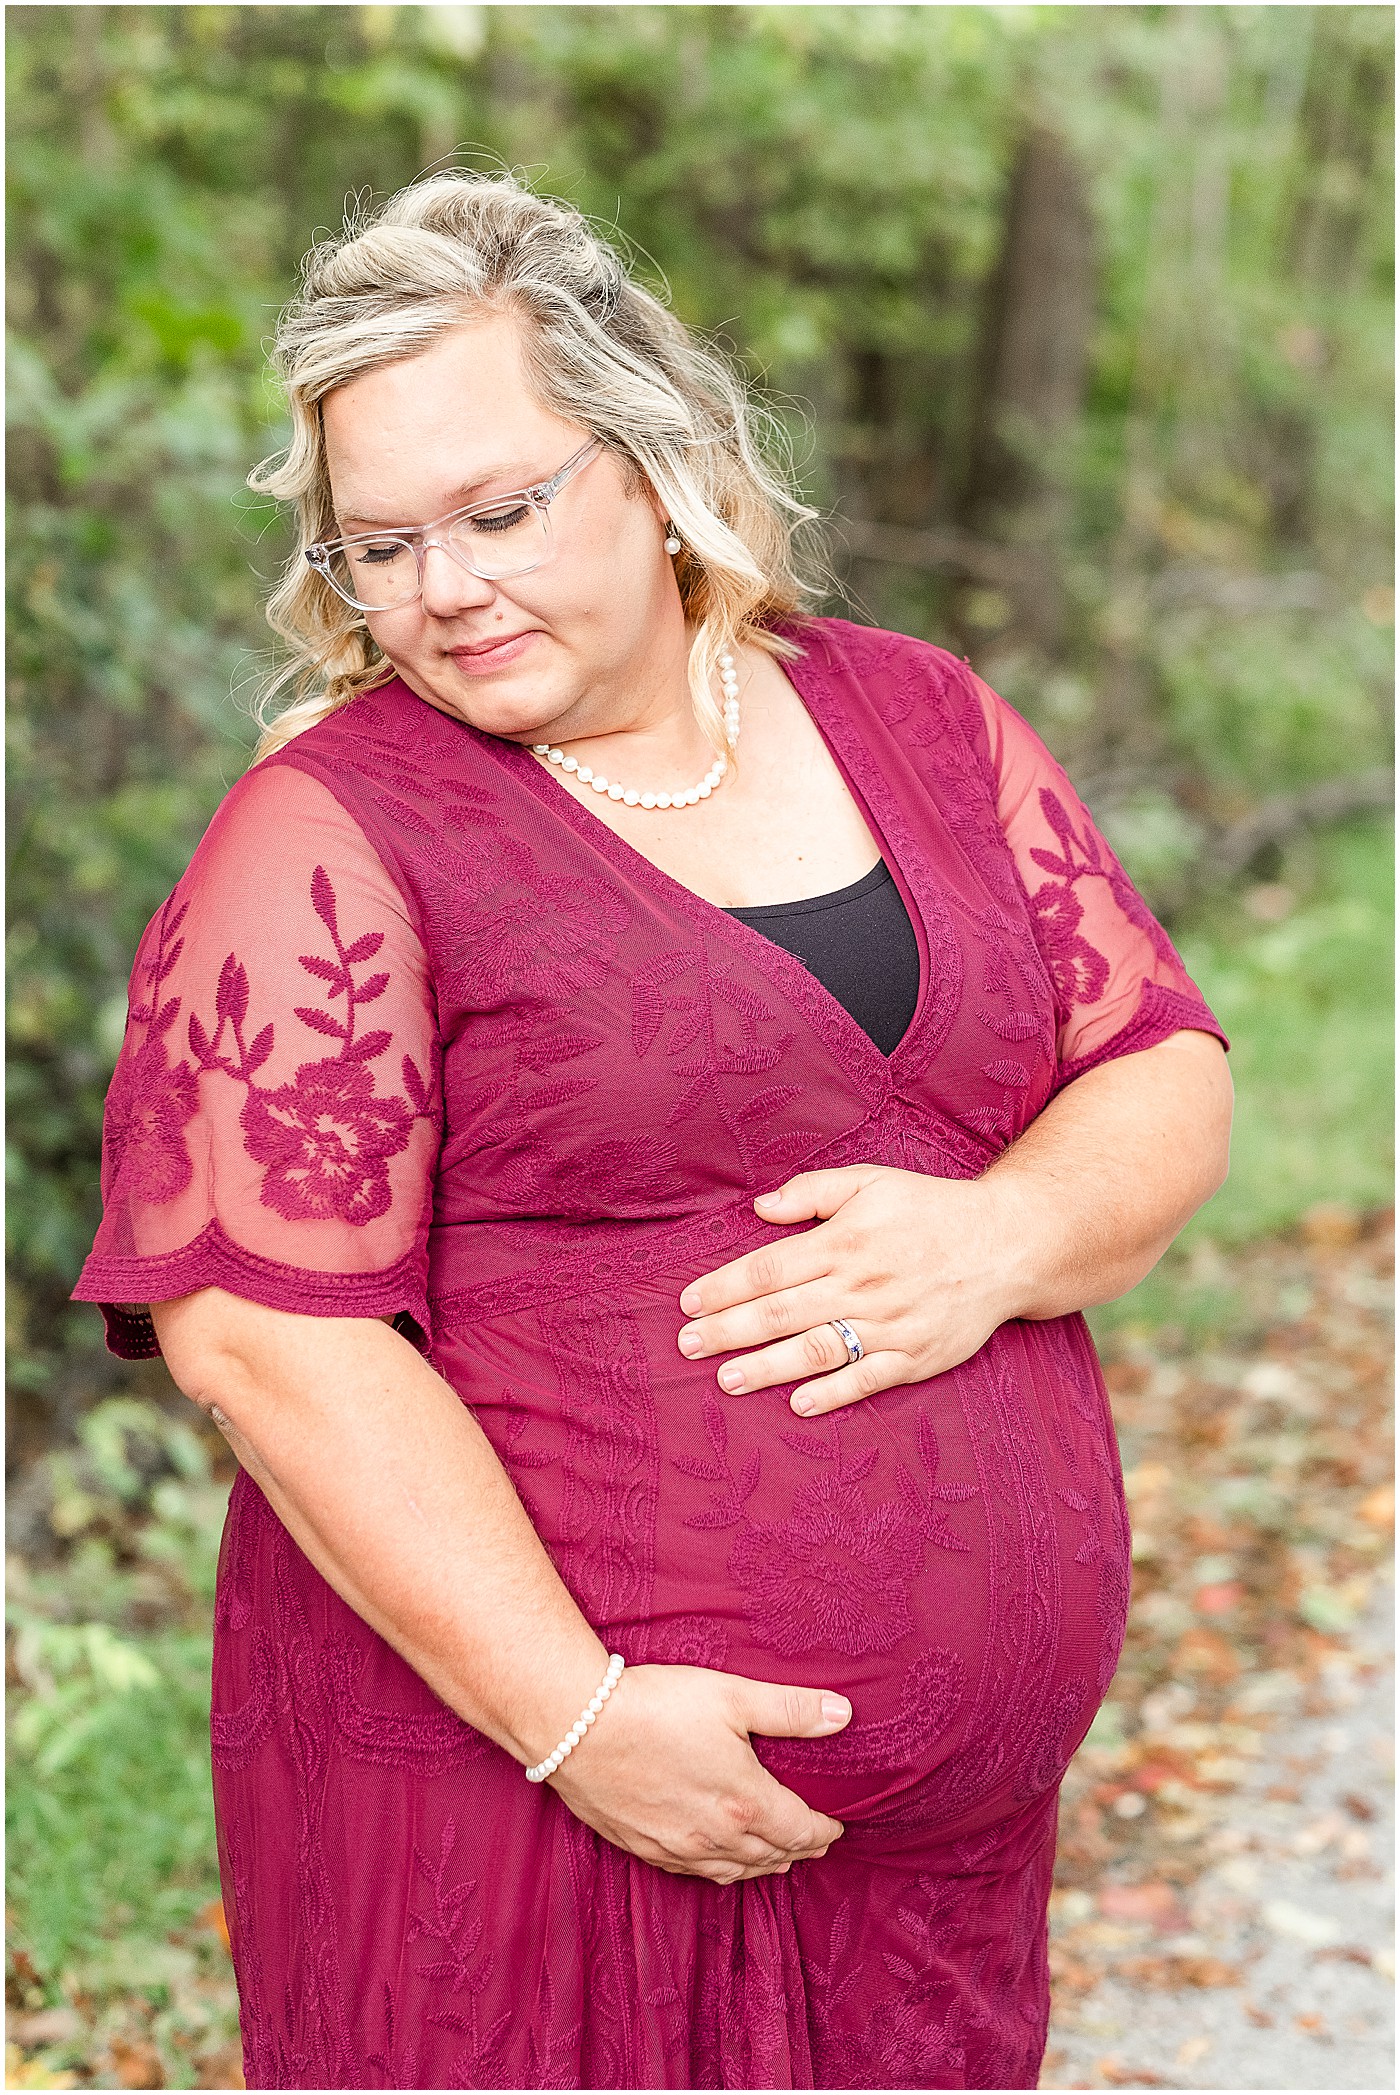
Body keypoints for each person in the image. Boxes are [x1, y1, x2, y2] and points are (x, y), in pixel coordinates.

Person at [75, 170, 1232, 2092]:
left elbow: (1164, 1065)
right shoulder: (333, 830)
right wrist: (573, 1714)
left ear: (658, 455)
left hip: (926, 1885)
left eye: (499, 510)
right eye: (382, 546)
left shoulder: (924, 722)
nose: (445, 588)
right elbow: (264, 1334)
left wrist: (1005, 1237)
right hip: (534, 1809)